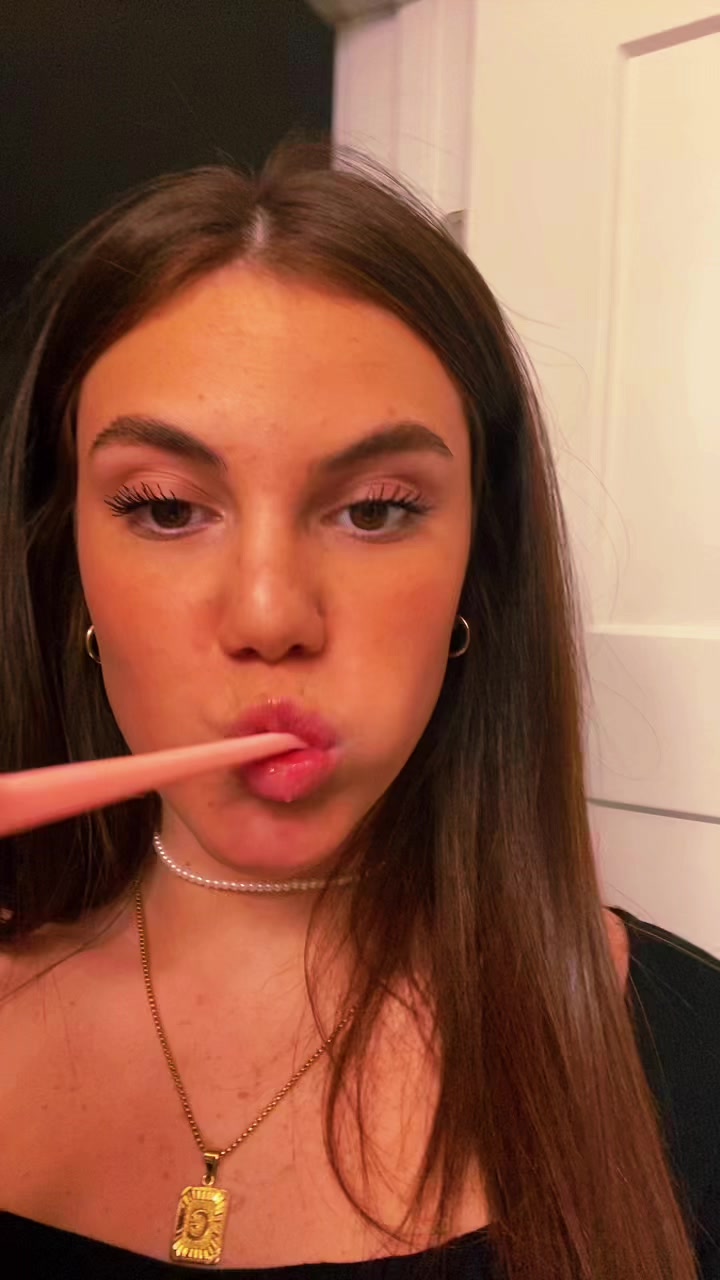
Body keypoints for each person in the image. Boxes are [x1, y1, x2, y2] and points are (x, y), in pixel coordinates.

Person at [0, 138, 718, 1280]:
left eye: (377, 510)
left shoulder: (689, 1057)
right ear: (72, 572)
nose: (271, 614)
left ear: (474, 577)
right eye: (167, 507)